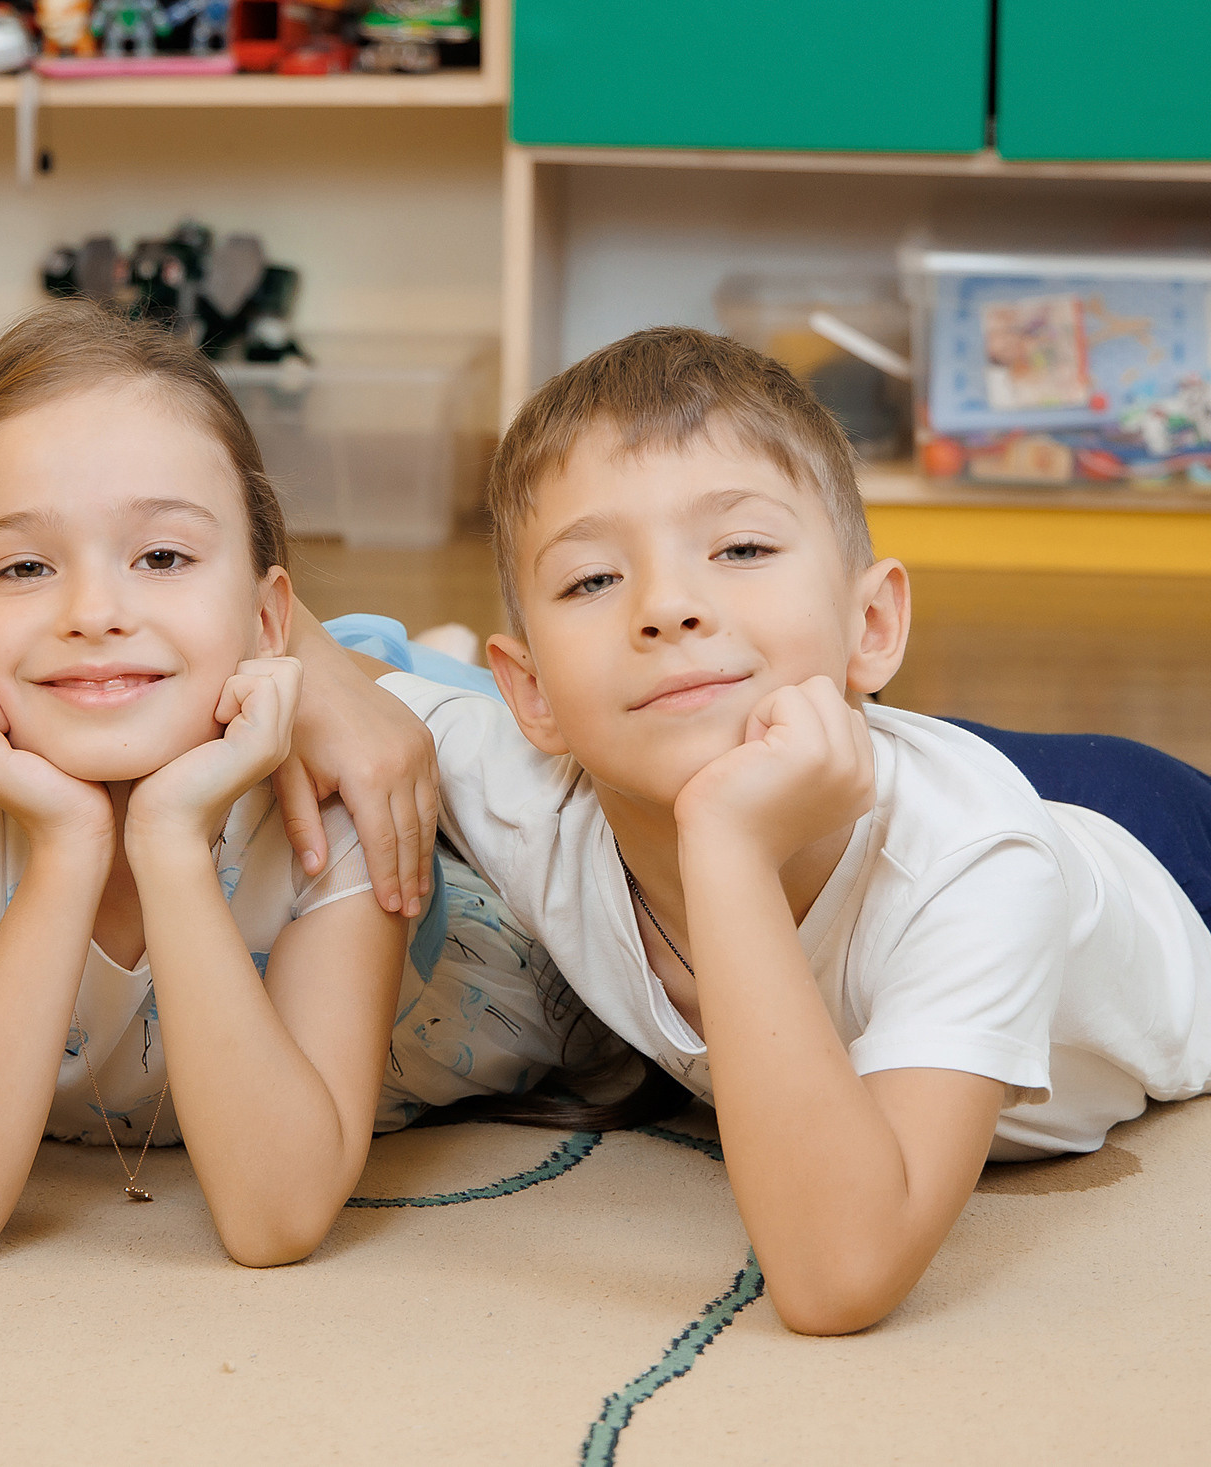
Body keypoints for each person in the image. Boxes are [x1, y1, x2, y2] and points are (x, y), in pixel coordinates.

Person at [346, 326, 1211, 1334]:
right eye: (592, 579)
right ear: (529, 693)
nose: (667, 606)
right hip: (841, 745)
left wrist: (724, 849)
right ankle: (467, 655)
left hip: (1160, 850)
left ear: (873, 625)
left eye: (741, 549)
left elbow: (837, 1275)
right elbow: (317, 662)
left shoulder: (974, 868)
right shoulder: (544, 791)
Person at [0, 302, 606, 1270]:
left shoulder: (327, 797)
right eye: (25, 566)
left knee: (507, 749)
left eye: (162, 556)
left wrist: (167, 843)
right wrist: (69, 847)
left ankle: (403, 661)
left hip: (419, 977)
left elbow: (274, 1218)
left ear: (268, 613)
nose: (95, 611)